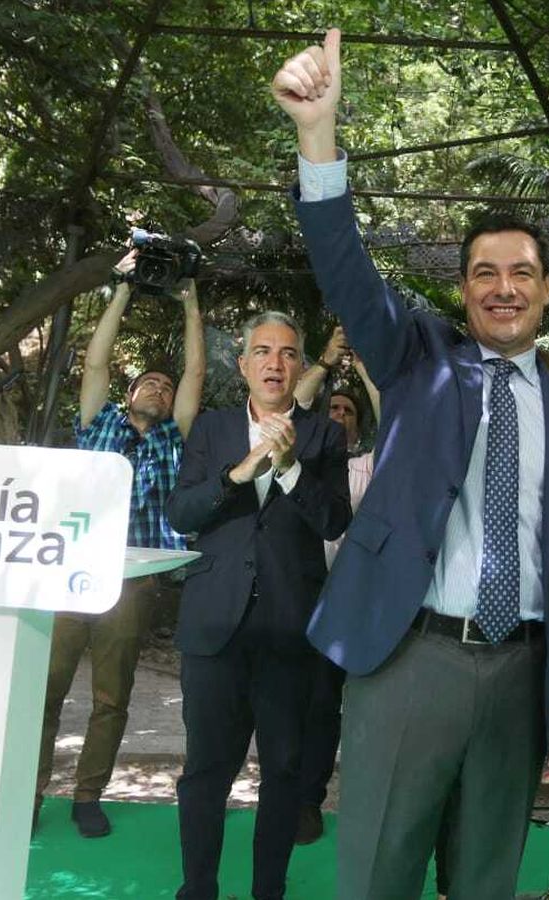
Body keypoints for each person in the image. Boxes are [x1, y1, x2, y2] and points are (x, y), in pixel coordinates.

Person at [271, 31, 549, 900]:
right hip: (408, 659)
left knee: (486, 882)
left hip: (522, 676)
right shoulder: (420, 357)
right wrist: (318, 136)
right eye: (484, 273)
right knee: (378, 874)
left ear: (546, 289)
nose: (504, 286)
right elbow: (348, 277)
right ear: (463, 290)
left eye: (522, 273)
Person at [164, 311, 353, 900]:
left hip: (288, 632)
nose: (276, 362)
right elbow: (181, 515)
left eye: (289, 353)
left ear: (300, 367)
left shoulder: (324, 435)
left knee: (284, 774)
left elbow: (334, 520)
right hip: (214, 628)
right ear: (243, 364)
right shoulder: (213, 430)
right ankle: (198, 889)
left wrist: (291, 467)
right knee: (205, 774)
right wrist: (238, 473)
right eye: (263, 352)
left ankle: (268, 890)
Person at [36, 250, 203, 838]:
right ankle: (27, 794)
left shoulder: (173, 440)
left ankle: (87, 796)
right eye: (148, 382)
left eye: (163, 384)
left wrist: (188, 303)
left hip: (133, 580)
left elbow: (195, 376)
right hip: (71, 572)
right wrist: (125, 289)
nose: (158, 388)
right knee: (47, 690)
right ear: (129, 393)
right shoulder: (98, 421)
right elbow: (98, 360)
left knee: (111, 696)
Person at [291, 325, 380, 844]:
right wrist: (324, 365)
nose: (338, 415)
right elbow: (295, 408)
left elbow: (397, 423)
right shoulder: (301, 461)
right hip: (297, 599)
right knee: (300, 703)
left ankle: (328, 801)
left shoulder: (371, 466)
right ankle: (293, 797)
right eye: (332, 410)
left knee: (340, 707)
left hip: (349, 607)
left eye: (347, 412)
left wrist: (364, 372)